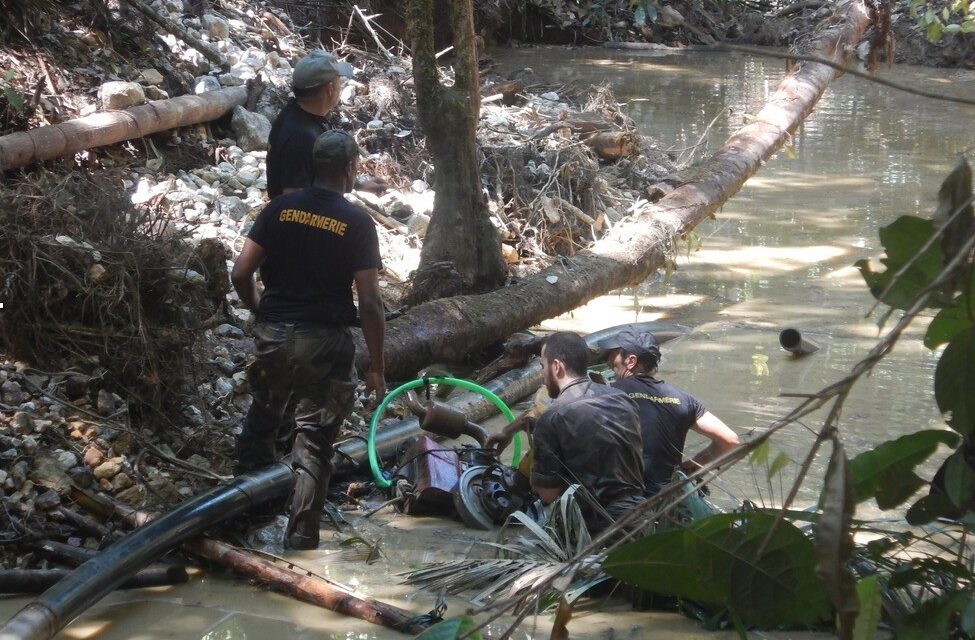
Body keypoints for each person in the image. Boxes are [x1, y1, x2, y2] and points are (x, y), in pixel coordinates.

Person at [231, 130, 386, 550]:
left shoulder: (278, 209)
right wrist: (376, 367)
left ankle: (246, 521)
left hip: (274, 337)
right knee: (313, 441)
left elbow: (241, 273)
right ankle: (300, 537)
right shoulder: (356, 222)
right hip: (324, 343)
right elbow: (370, 304)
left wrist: (259, 308)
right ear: (350, 169)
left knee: (262, 424)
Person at [486, 332, 645, 535]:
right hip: (641, 519)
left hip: (596, 533)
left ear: (556, 367)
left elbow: (547, 495)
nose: (542, 376)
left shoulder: (552, 418)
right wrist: (509, 430)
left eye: (542, 366)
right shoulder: (623, 400)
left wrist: (535, 468)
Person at [597, 330, 739, 495]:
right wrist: (694, 464)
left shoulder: (608, 393)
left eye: (612, 355)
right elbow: (730, 440)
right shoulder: (684, 400)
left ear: (631, 361)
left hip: (623, 501)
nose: (608, 361)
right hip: (668, 499)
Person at [267, 50, 386, 198]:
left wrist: (359, 184)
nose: (340, 86)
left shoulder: (301, 113)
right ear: (330, 89)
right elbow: (291, 199)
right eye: (339, 81)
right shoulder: (300, 137)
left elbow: (323, 170)